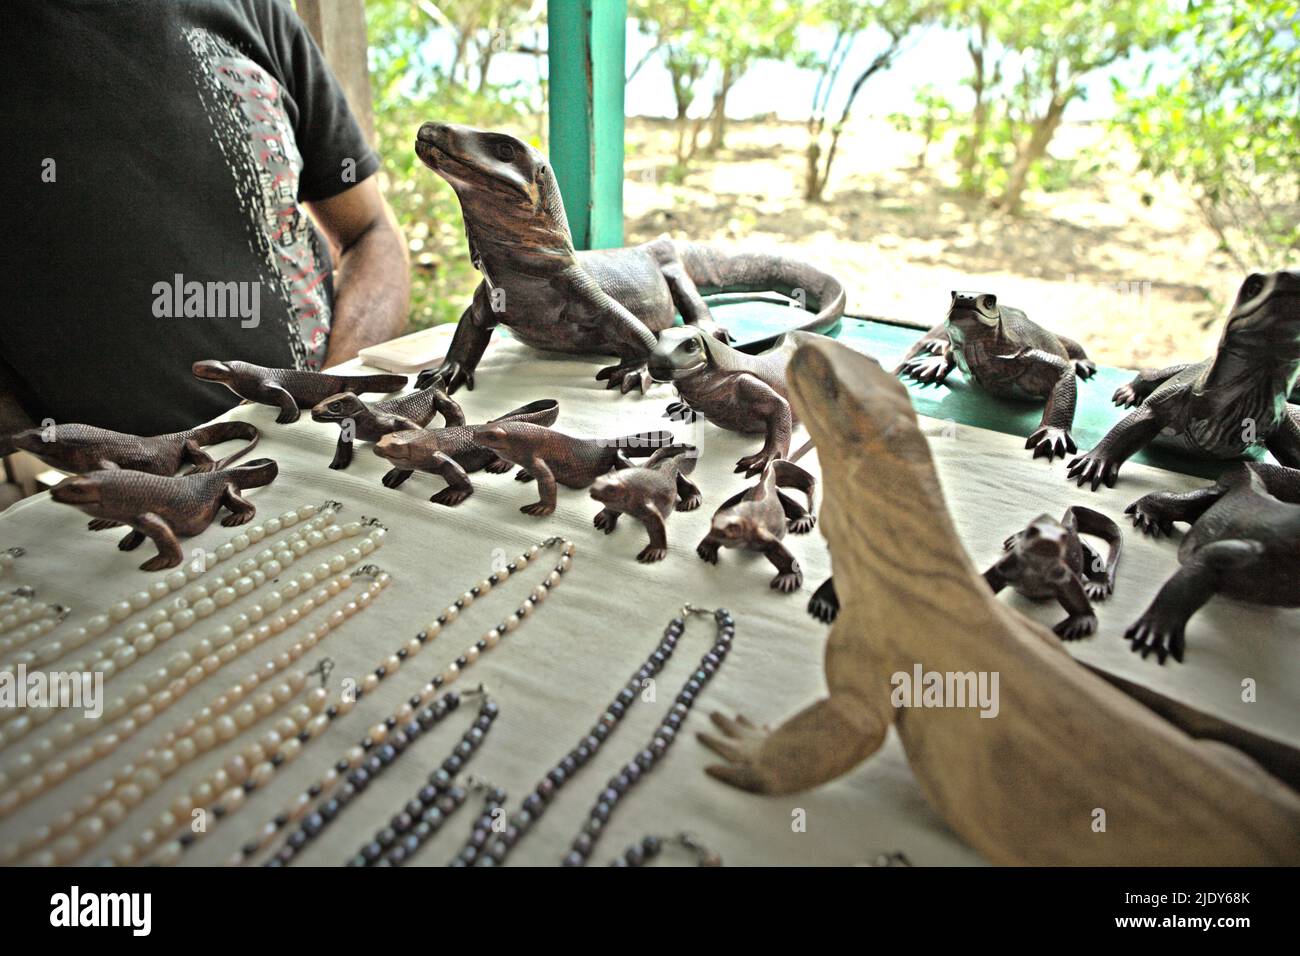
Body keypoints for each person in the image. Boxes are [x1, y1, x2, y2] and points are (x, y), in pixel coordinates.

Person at [0, 0, 410, 439]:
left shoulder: (255, 9)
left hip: (323, 441)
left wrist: (327, 401)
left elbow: (372, 232)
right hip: (129, 485)